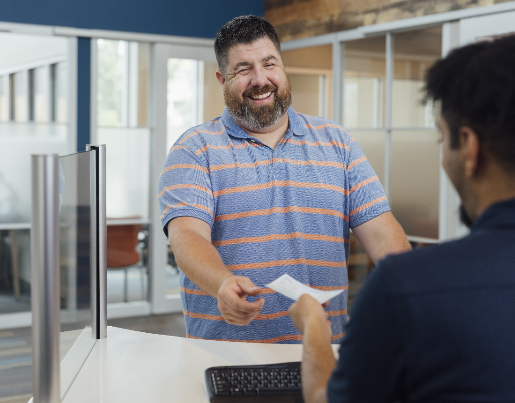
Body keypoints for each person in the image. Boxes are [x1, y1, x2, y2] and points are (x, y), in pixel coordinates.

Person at [288, 35, 515, 402]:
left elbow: (324, 397)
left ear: (470, 148)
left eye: (442, 139)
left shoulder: (406, 289)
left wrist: (315, 323)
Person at [158, 15, 410, 343]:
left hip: (323, 351)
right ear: (222, 79)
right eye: (243, 69)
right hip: (228, 353)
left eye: (269, 63)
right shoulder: (194, 150)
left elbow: (380, 232)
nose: (260, 79)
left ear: (283, 67)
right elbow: (188, 238)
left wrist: (416, 292)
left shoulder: (337, 142)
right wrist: (221, 282)